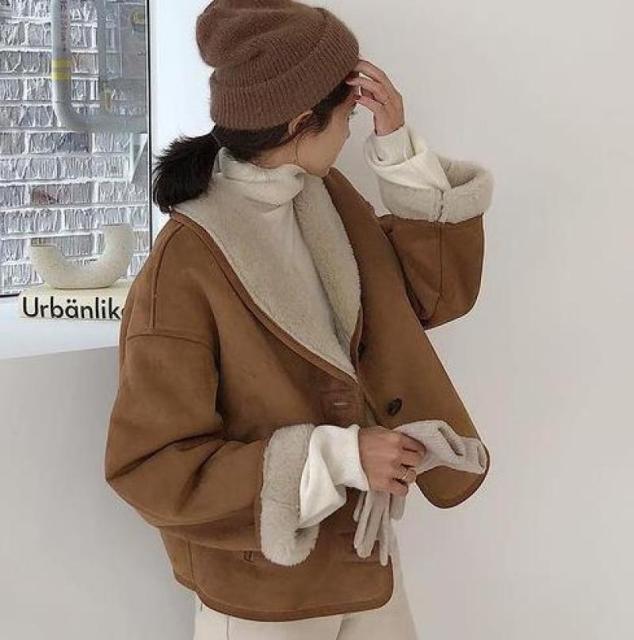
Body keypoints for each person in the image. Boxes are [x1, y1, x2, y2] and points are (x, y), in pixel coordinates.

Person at [103, 1, 494, 638]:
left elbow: (431, 298)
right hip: (263, 592)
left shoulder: (324, 199)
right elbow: (151, 468)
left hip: (363, 561)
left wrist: (396, 148)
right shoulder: (187, 262)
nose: (351, 130)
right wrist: (338, 457)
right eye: (347, 115)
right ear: (297, 122)